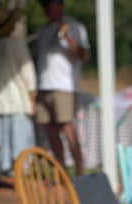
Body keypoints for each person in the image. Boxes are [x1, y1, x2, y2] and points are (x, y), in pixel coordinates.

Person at [0, 4, 37, 189]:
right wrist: (32, 99)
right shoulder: (17, 46)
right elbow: (29, 75)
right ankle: (21, 180)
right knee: (20, 141)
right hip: (17, 101)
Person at [34, 0, 90, 175]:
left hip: (64, 87)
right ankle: (62, 172)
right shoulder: (43, 31)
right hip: (43, 86)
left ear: (60, 7)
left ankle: (79, 171)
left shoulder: (76, 27)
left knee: (67, 128)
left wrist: (67, 36)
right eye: (46, 8)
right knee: (50, 130)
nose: (47, 11)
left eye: (50, 6)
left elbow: (84, 55)